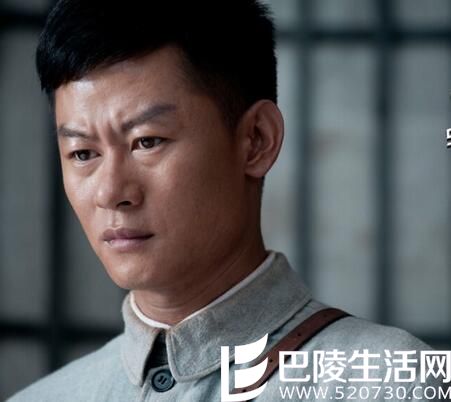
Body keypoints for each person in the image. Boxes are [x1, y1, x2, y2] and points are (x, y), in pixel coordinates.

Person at [8, 0, 445, 401]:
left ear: (256, 139)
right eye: (83, 153)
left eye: (147, 141)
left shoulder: (385, 383)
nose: (110, 193)